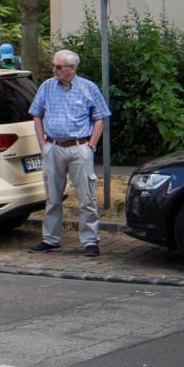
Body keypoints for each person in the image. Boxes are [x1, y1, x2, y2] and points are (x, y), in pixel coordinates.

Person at [28, 48, 111, 257]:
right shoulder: (47, 87)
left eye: (59, 67)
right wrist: (42, 144)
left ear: (71, 69)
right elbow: (36, 114)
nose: (54, 70)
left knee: (87, 198)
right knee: (52, 197)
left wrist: (91, 144)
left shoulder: (88, 88)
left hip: (79, 147)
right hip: (53, 147)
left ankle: (90, 241)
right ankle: (50, 239)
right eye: (54, 65)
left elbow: (100, 117)